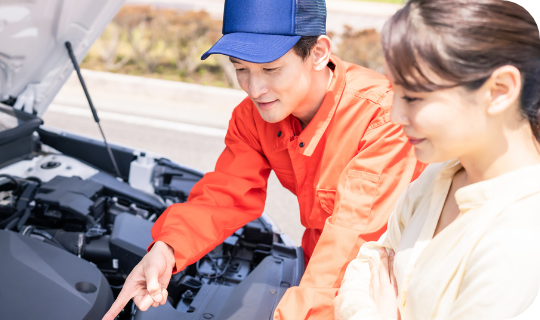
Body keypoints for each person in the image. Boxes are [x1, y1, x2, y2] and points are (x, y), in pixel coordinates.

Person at [103, 0, 426, 319]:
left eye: (270, 69)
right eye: (240, 68)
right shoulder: (253, 117)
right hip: (316, 271)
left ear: (318, 53)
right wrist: (167, 249)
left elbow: (352, 239)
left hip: (394, 287)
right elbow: (225, 195)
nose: (255, 89)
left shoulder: (382, 118)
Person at [333, 0, 540, 319]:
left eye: (414, 97)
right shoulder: (439, 175)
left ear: (499, 90)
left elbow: (366, 282)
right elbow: (367, 263)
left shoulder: (521, 240)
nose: (395, 114)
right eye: (394, 92)